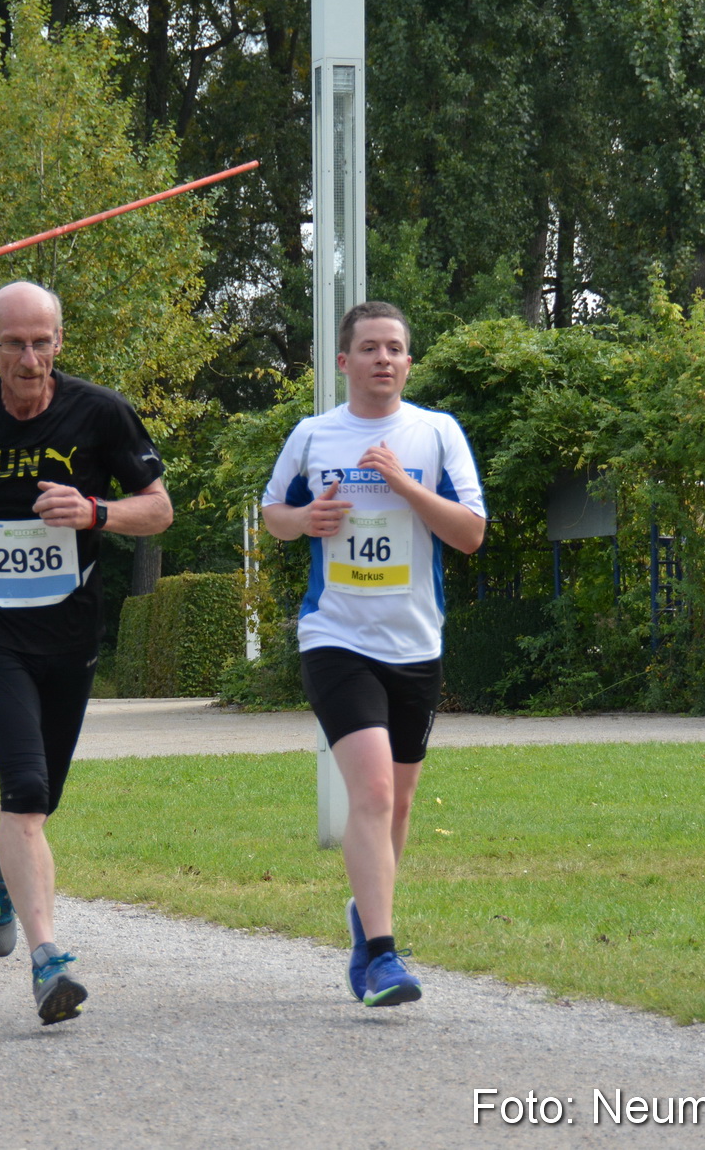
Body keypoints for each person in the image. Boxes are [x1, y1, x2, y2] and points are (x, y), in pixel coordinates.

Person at [0, 280, 172, 1025]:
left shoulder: (101, 412)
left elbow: (159, 508)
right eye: (13, 342)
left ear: (59, 341)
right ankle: (50, 961)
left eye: (41, 341)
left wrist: (96, 510)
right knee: (23, 788)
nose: (28, 357)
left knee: (41, 802)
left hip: (71, 635)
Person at [260, 301, 486, 1007]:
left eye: (394, 348)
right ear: (344, 361)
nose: (383, 358)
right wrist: (306, 519)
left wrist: (404, 484)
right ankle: (384, 957)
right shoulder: (313, 434)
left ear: (409, 362)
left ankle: (367, 915)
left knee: (400, 802)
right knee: (375, 791)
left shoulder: (436, 433)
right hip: (336, 635)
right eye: (369, 347)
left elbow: (471, 533)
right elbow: (273, 515)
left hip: (415, 641)